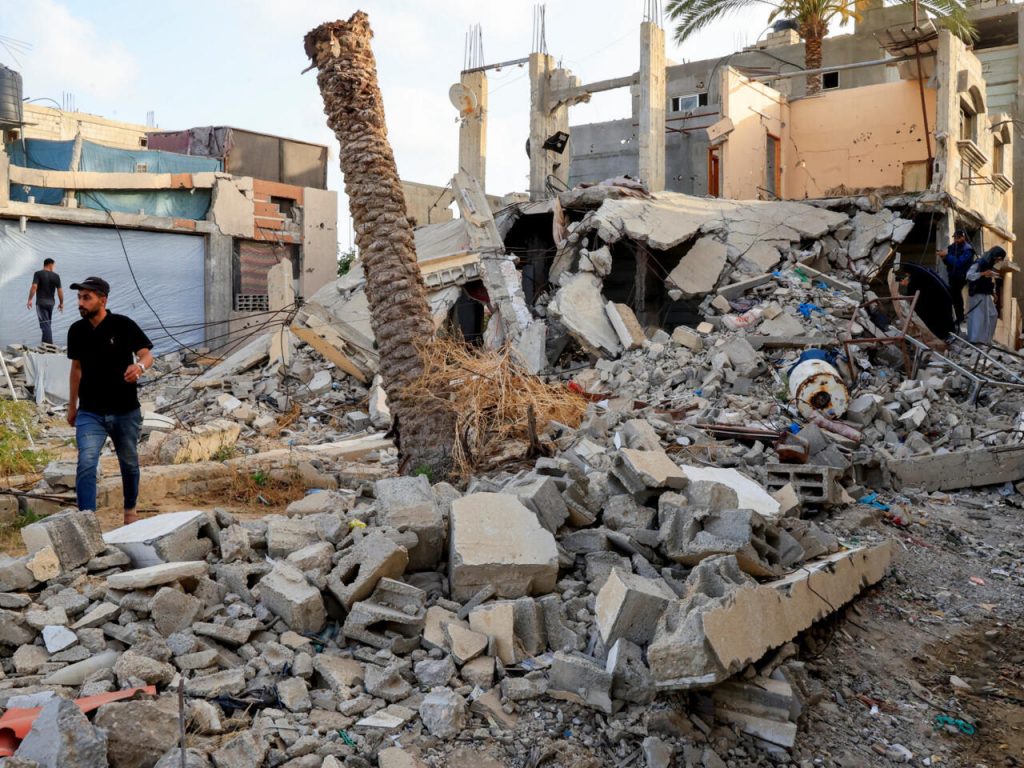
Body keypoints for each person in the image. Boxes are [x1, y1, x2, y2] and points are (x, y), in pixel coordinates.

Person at [66, 276, 154, 525]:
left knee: (128, 463)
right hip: (90, 412)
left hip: (125, 410)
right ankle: (87, 521)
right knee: (86, 463)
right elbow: (76, 370)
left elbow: (147, 355)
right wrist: (72, 406)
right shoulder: (77, 330)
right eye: (79, 298)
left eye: (86, 298)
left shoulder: (123, 325)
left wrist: (139, 368)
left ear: (102, 300)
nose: (80, 303)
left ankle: (130, 512)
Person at [965, 246, 1005, 345]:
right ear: (995, 256)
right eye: (999, 258)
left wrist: (993, 293)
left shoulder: (988, 265)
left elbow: (988, 281)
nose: (998, 261)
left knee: (992, 315)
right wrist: (983, 273)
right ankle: (975, 340)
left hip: (985, 294)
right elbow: (969, 275)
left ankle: (986, 340)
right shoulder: (979, 263)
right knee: (978, 317)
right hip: (977, 293)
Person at [26, 258, 64, 345]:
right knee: (47, 324)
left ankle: (49, 346)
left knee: (45, 325)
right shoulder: (56, 276)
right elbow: (60, 291)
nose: (54, 267)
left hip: (41, 303)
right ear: (50, 264)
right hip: (51, 304)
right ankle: (44, 345)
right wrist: (61, 303)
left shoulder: (38, 274)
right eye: (54, 265)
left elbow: (34, 287)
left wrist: (30, 300)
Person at [942, 228, 974, 327]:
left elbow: (959, 262)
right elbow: (948, 261)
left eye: (958, 238)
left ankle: (960, 317)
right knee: (953, 296)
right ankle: (957, 317)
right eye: (955, 238)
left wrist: (947, 256)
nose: (956, 240)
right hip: (952, 275)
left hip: (961, 276)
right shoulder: (952, 247)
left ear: (963, 237)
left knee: (956, 295)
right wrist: (944, 257)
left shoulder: (968, 249)